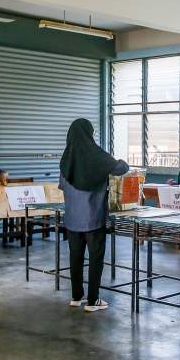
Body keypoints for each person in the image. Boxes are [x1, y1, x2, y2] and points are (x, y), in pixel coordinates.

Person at [59, 118, 128, 312]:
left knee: (75, 257)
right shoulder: (96, 157)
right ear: (89, 135)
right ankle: (93, 300)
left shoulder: (66, 160)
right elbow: (122, 168)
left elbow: (63, 186)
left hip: (72, 218)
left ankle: (76, 296)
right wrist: (119, 161)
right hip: (93, 217)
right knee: (95, 258)